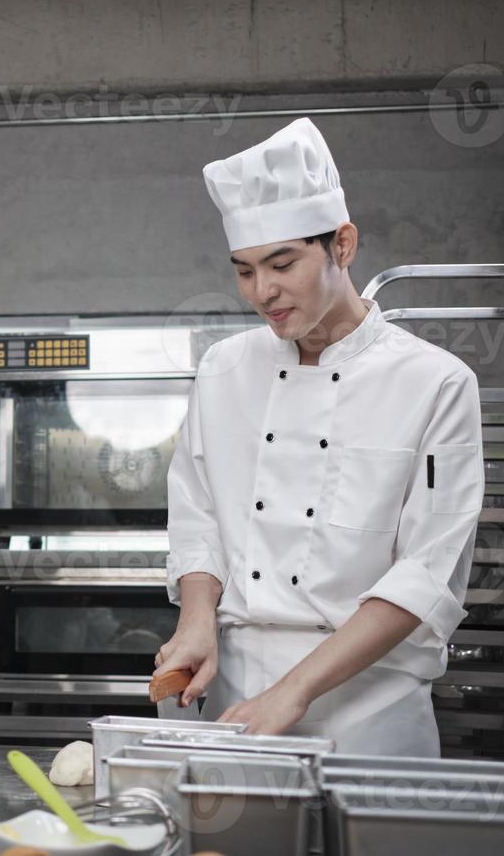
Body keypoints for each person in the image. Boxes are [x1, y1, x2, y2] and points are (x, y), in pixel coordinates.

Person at [152, 117, 484, 757]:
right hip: (234, 695)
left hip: (369, 707)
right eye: (245, 271)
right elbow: (197, 517)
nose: (263, 292)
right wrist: (197, 620)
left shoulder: (436, 382)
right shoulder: (223, 369)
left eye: (282, 263)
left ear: (343, 244)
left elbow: (425, 572)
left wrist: (295, 690)